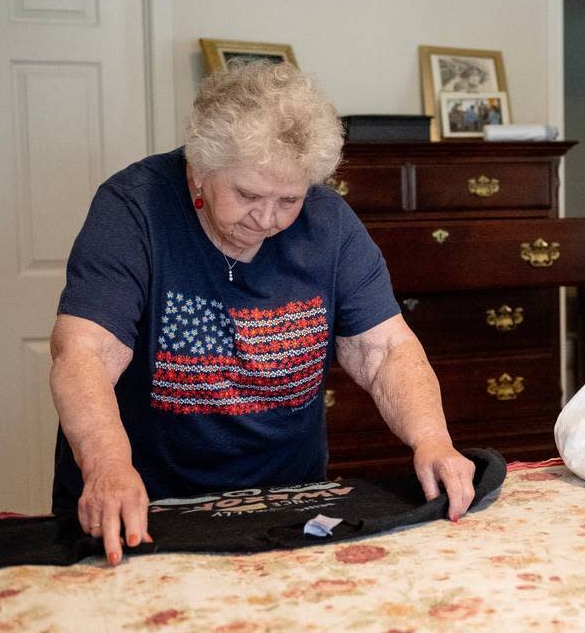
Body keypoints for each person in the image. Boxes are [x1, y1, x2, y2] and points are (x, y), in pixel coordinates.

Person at [49, 61, 476, 565]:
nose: (268, 219)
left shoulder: (329, 224)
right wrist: (107, 465)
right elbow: (84, 352)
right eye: (248, 195)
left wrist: (432, 439)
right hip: (145, 504)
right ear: (201, 167)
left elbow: (384, 350)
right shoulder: (134, 209)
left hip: (288, 504)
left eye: (289, 199)